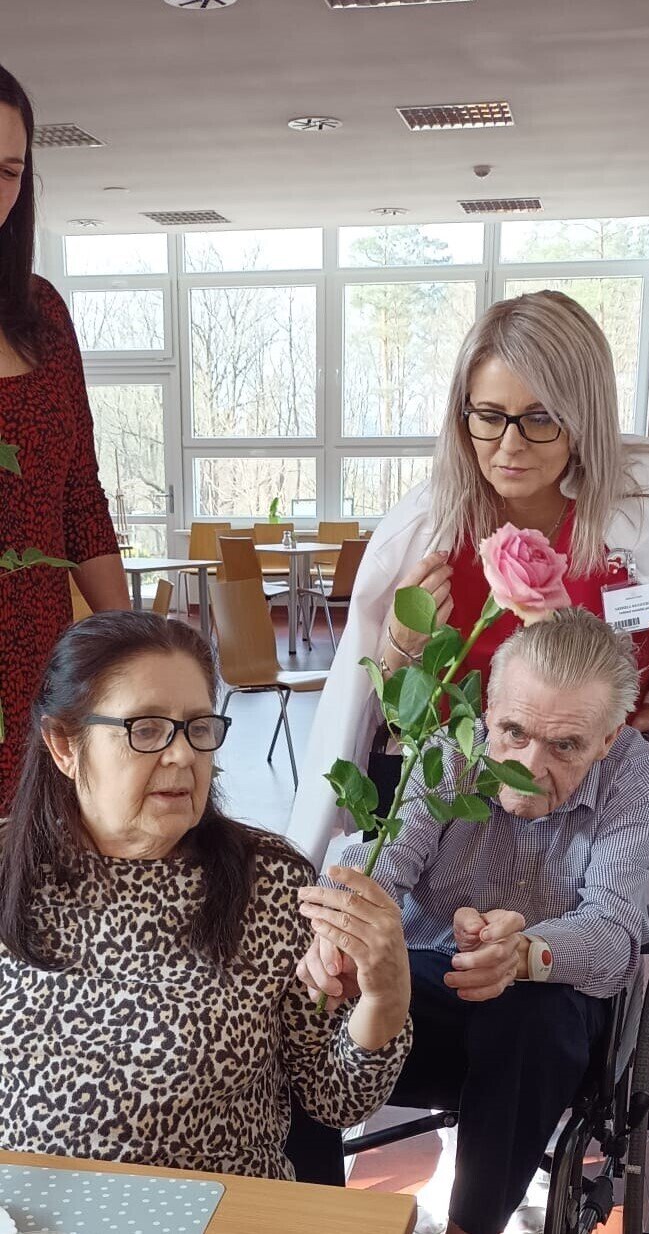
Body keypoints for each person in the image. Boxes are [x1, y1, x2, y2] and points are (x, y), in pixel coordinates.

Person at [288, 290, 649, 870]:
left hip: (588, 783)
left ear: (583, 416)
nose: (510, 446)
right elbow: (382, 705)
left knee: (584, 911)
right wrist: (400, 644)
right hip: (453, 786)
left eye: (540, 418)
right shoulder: (429, 531)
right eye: (489, 416)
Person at [298, 609, 649, 1234]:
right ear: (489, 710)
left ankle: (471, 1226)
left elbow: (613, 930)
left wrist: (527, 952)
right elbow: (384, 862)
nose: (529, 765)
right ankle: (314, 1217)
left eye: (565, 745)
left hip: (545, 1017)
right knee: (304, 1006)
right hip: (422, 988)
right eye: (513, 732)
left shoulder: (635, 776)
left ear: (608, 739)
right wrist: (340, 934)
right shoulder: (450, 752)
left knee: (529, 1012)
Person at [0, 611, 412, 1178]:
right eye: (146, 729)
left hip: (221, 1208)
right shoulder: (11, 871)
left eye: (198, 727)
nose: (182, 755)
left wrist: (385, 999)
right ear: (64, 745)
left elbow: (334, 1099)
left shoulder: (267, 885)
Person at [0, 63, 130, 808]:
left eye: (9, 172)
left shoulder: (42, 311)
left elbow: (79, 498)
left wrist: (132, 646)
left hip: (41, 680)